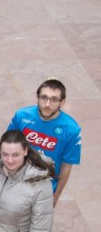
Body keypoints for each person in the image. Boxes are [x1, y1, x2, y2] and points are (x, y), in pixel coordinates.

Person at [7, 78, 81, 207]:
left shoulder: (71, 129)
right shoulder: (21, 116)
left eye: (54, 99)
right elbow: (7, 146)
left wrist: (56, 195)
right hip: (15, 180)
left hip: (44, 188)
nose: (47, 104)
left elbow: (66, 166)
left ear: (62, 102)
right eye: (43, 98)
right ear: (37, 97)